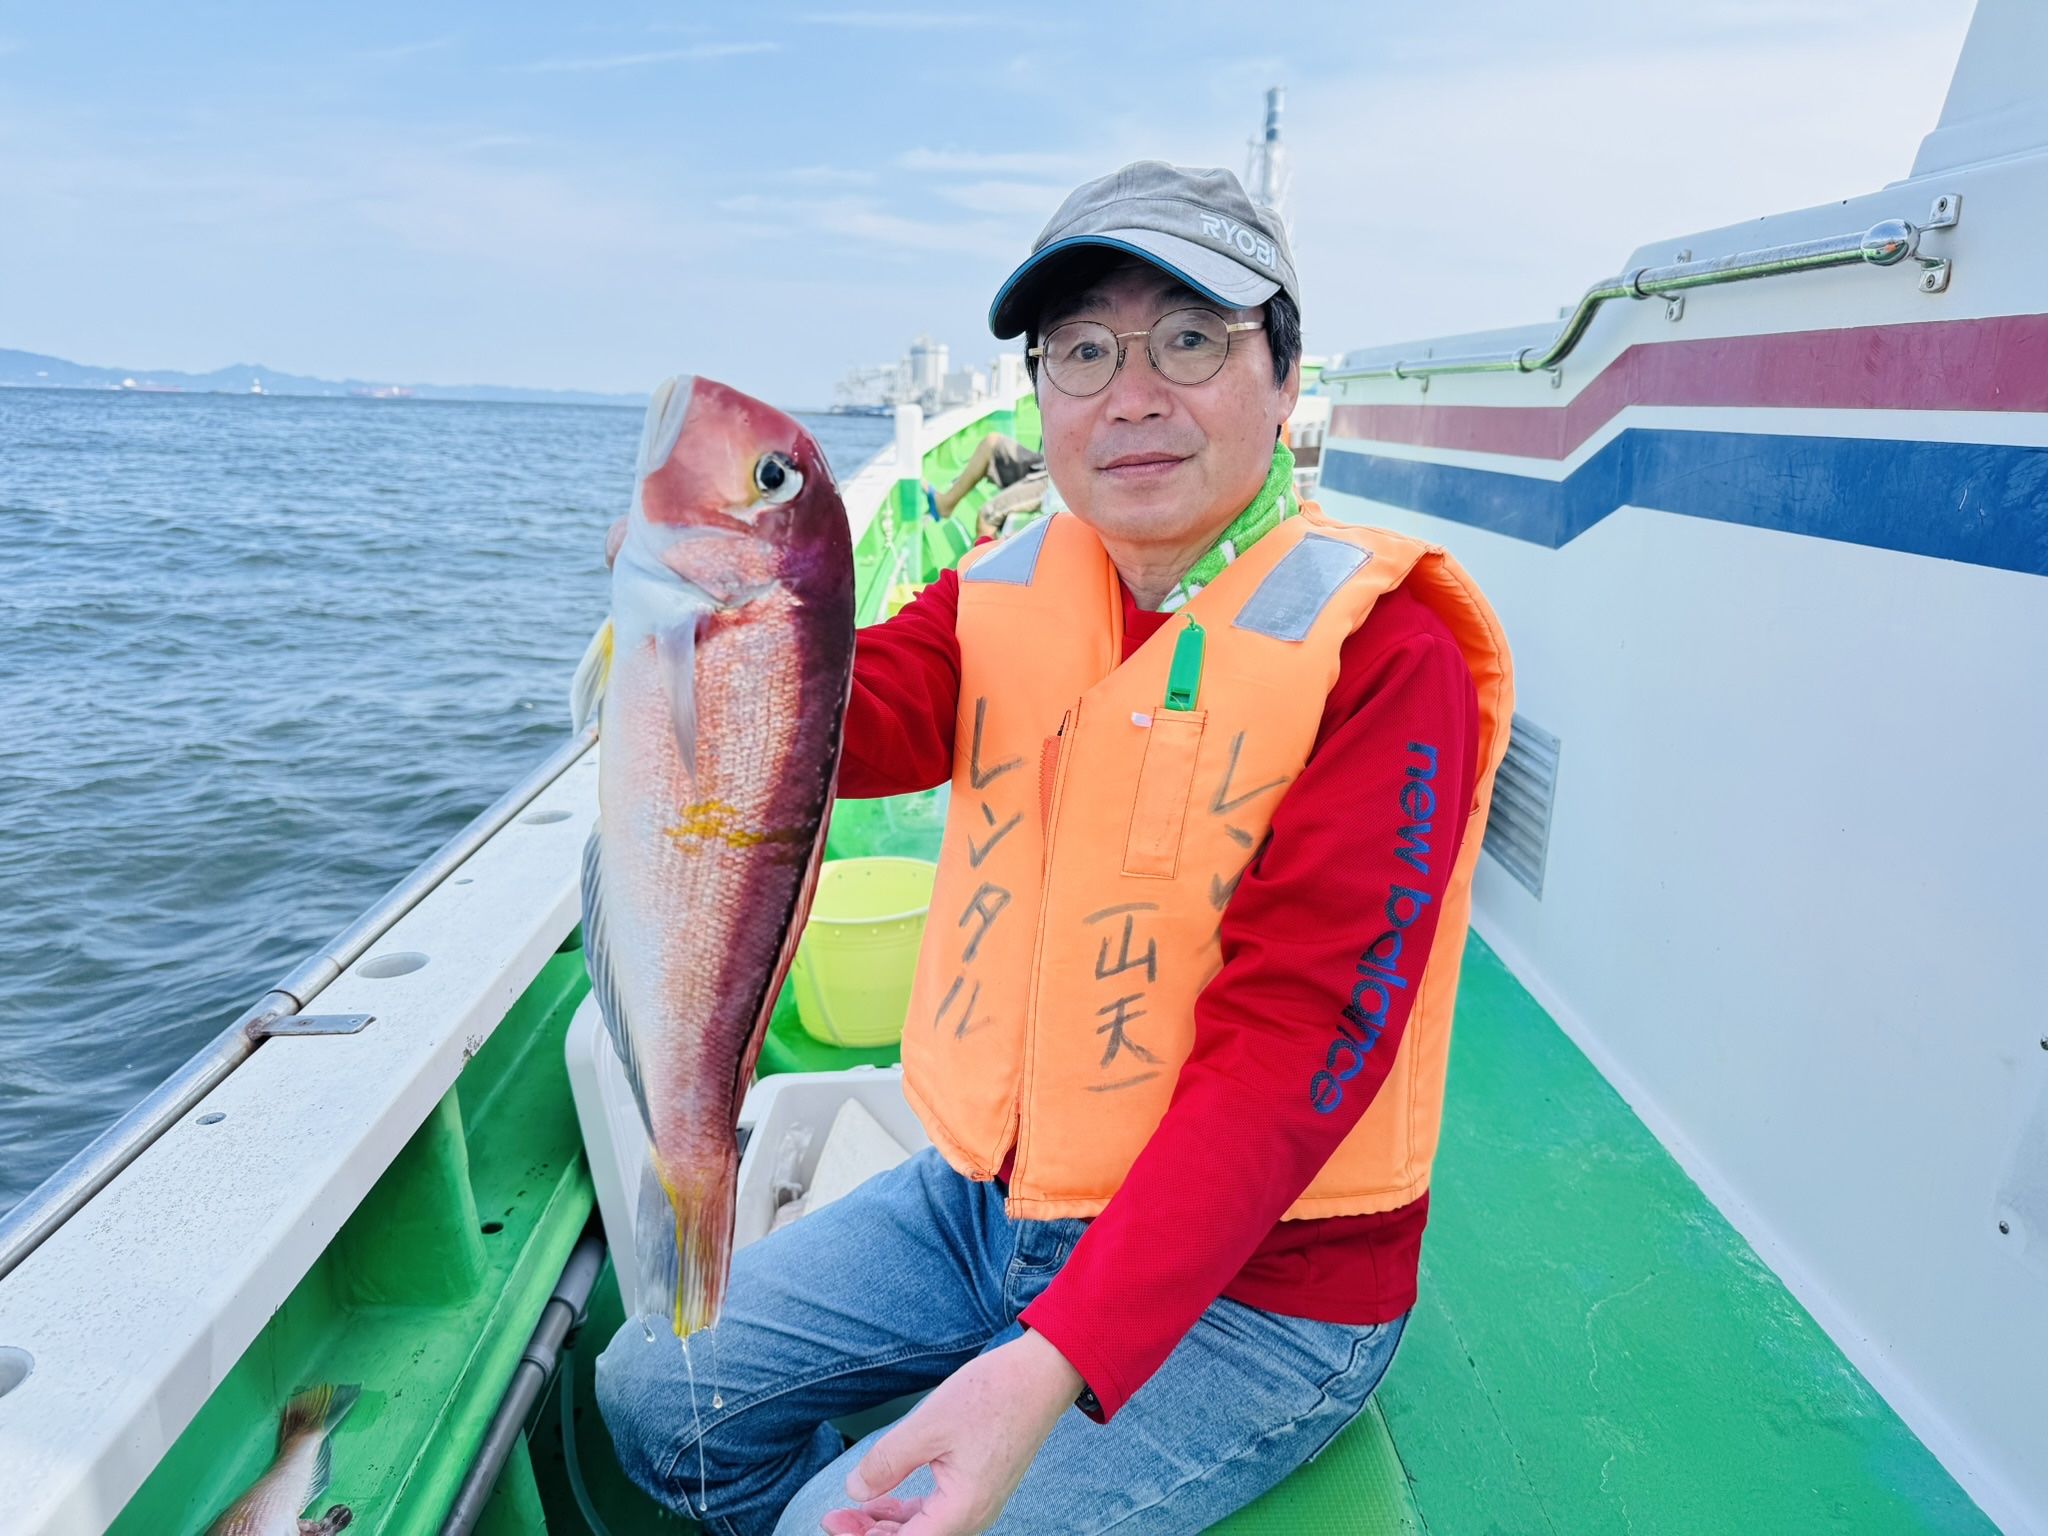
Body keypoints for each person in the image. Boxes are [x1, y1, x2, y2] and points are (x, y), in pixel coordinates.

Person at [596, 160, 1514, 1536]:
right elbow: (848, 722)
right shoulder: (1008, 586)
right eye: (1081, 352)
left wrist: (1054, 1360)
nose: (1130, 395)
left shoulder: (1389, 652)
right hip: (983, 1202)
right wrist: (715, 632)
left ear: (1283, 374)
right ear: (1042, 396)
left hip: (1262, 1288)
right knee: (652, 1395)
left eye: (1189, 340)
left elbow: (1297, 1047)